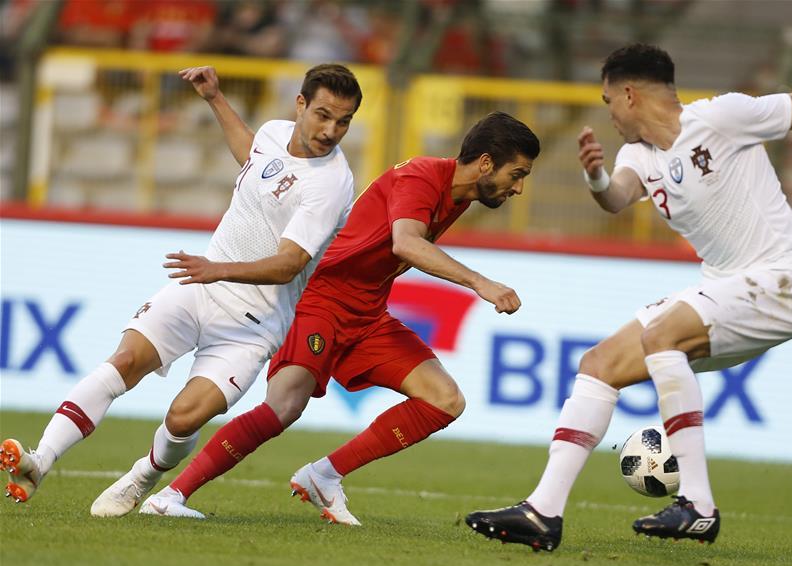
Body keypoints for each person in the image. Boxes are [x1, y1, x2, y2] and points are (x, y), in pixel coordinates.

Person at [465, 43, 792, 551]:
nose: (608, 113)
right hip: (724, 285)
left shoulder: (722, 116)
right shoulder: (638, 157)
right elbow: (616, 198)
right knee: (599, 364)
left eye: (607, 101)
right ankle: (543, 512)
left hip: (780, 280)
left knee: (661, 336)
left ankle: (698, 505)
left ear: (629, 94)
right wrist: (596, 176)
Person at [138, 111, 541, 523]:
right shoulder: (422, 176)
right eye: (518, 173)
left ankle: (324, 476)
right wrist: (480, 283)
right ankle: (171, 495)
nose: (520, 187)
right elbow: (406, 243)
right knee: (284, 406)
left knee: (445, 399)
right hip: (322, 298)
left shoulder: (459, 196)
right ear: (487, 163)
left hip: (367, 314)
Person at [1, 63, 363, 516]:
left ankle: (143, 477)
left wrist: (218, 269)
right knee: (125, 361)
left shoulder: (330, 183)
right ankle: (40, 460)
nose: (331, 130)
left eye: (343, 121)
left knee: (182, 418)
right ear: (301, 104)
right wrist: (214, 97)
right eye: (323, 115)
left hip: (253, 326)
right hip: (200, 290)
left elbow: (290, 265)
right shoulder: (273, 132)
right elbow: (252, 156)